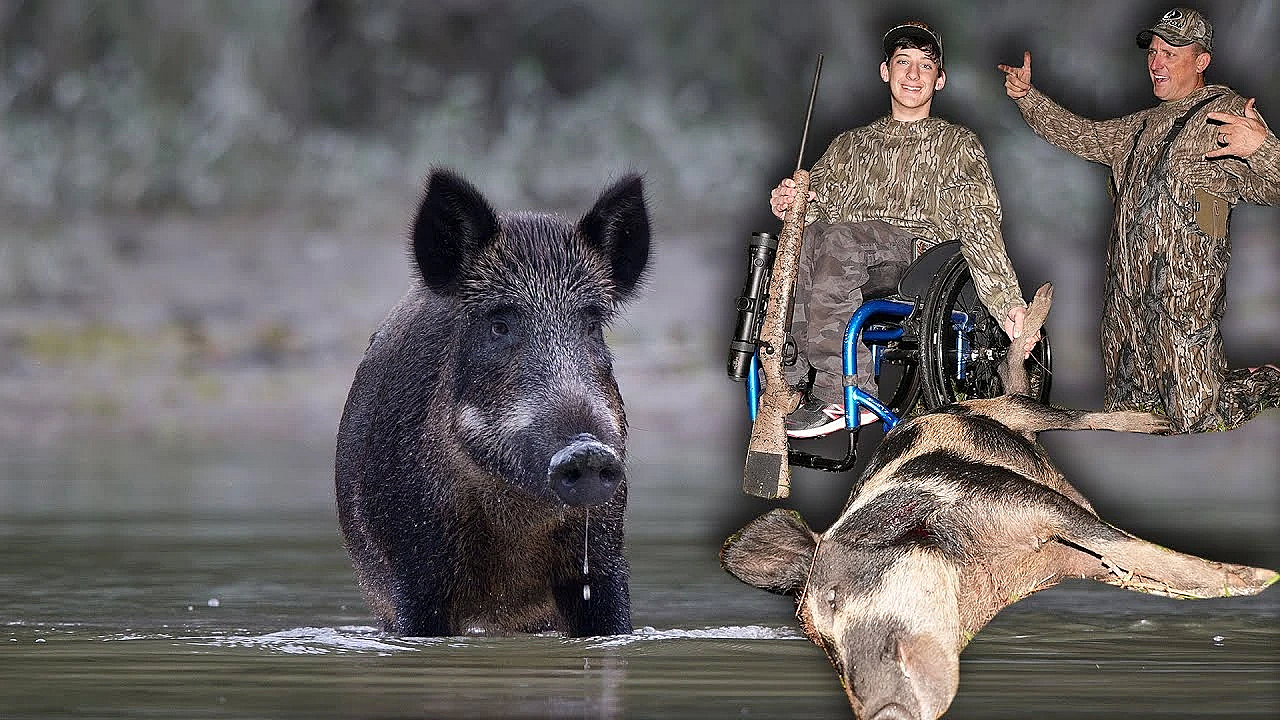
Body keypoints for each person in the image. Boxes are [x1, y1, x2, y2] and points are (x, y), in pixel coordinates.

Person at [999, 7, 1280, 432]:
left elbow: (1272, 188)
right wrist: (1027, 98)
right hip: (1125, 299)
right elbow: (1080, 134)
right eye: (1153, 52)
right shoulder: (1140, 126)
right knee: (1132, 415)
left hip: (1182, 295)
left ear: (1201, 61)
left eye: (1170, 53)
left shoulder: (1225, 112)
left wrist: (1260, 146)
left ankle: (1267, 380)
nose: (1156, 62)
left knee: (1196, 417)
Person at [772, 20, 1037, 435]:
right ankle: (787, 380)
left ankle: (845, 392)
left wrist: (1007, 303)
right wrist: (789, 202)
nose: (913, 74)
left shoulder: (956, 144)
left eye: (926, 65)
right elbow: (812, 206)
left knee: (838, 239)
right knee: (805, 240)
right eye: (903, 62)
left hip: (918, 259)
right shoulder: (848, 146)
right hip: (849, 256)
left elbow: (979, 223)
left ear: (940, 79)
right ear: (885, 71)